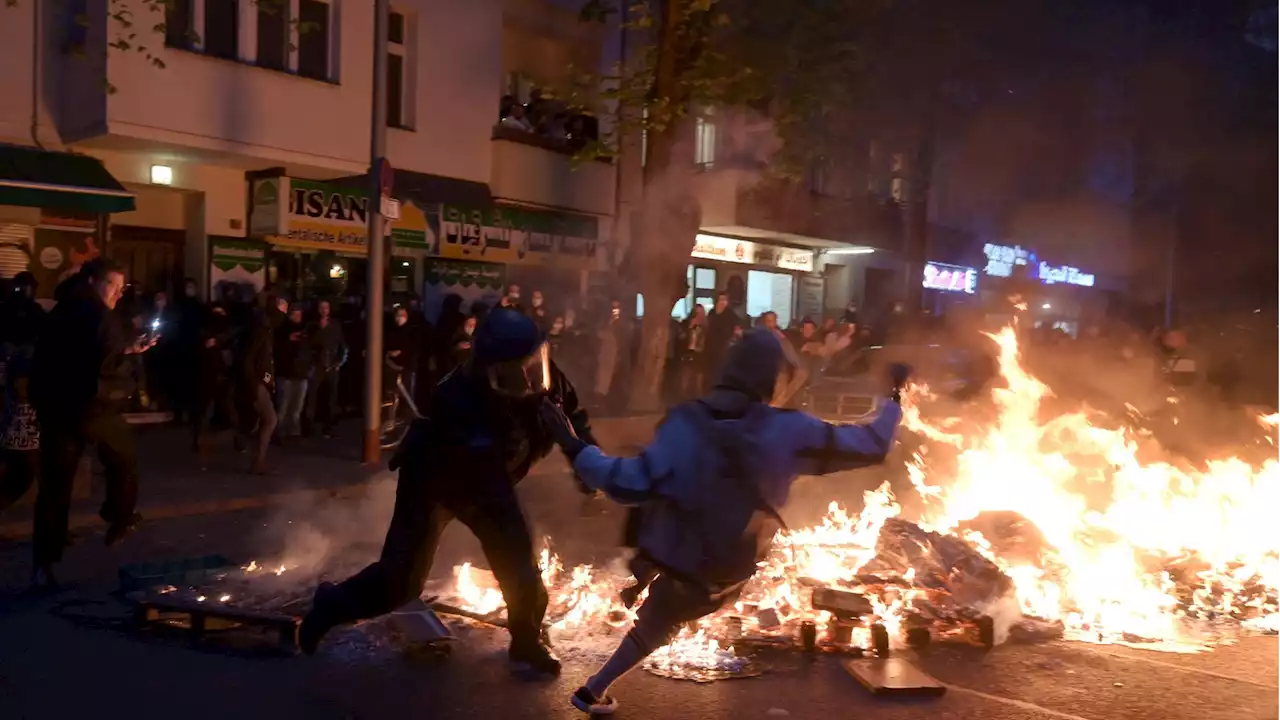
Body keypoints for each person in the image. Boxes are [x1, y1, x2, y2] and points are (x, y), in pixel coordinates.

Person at [538, 329, 909, 714]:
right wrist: (893, 396)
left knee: (662, 610)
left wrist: (574, 445)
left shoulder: (686, 421)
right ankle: (598, 678)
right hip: (728, 563)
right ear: (776, 378)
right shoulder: (787, 429)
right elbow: (871, 444)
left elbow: (629, 482)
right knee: (668, 614)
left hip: (675, 553)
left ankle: (617, 636)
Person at [299, 308, 597, 677]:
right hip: (436, 481)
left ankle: (525, 642)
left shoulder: (543, 377)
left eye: (533, 365)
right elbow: (489, 486)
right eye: (513, 372)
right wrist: (508, 528)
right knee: (401, 581)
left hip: (492, 475)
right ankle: (328, 607)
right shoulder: (456, 398)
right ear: (490, 370)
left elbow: (573, 420)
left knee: (520, 566)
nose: (528, 379)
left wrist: (587, 467)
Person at [30, 259, 155, 587]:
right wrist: (127, 365)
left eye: (121, 287)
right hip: (90, 407)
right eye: (112, 286)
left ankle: (45, 560)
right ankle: (119, 516)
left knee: (55, 488)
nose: (117, 294)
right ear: (92, 282)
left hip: (56, 408)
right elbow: (105, 359)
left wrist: (126, 348)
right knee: (124, 458)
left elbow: (84, 352)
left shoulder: (60, 309)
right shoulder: (97, 314)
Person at [235, 295, 284, 474]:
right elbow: (248, 358)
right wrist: (255, 383)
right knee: (270, 419)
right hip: (256, 383)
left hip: (259, 381)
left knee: (256, 421)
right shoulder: (261, 330)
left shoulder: (266, 328)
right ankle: (258, 461)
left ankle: (256, 458)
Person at [304, 299, 347, 438]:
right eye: (321, 307)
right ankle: (308, 426)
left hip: (332, 366)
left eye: (326, 307)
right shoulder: (311, 326)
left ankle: (327, 427)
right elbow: (307, 345)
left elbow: (342, 345)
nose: (324, 310)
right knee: (311, 397)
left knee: (331, 397)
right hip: (316, 366)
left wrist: (338, 362)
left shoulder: (335, 325)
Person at [274, 305, 310, 442]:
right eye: (295, 315)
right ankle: (279, 432)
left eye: (299, 315)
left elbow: (308, 351)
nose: (298, 318)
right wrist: (288, 340)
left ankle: (294, 433)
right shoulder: (282, 331)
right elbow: (277, 350)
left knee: (297, 408)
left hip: (301, 375)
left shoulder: (305, 331)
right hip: (286, 375)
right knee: (283, 407)